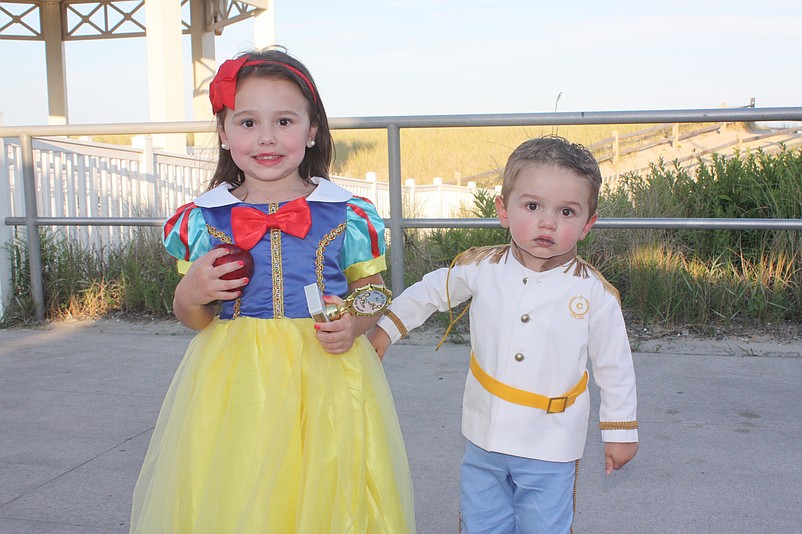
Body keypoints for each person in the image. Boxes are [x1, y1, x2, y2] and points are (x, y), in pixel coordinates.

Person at [130, 47, 415, 533]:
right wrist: (194, 290)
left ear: (312, 130)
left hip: (326, 374)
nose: (266, 137)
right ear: (223, 133)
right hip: (236, 380)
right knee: (239, 484)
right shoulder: (204, 219)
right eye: (247, 123)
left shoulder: (345, 213)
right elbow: (193, 317)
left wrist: (355, 319)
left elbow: (374, 291)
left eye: (284, 121)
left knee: (328, 485)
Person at [369, 136, 638, 533]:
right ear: (503, 210)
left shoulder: (594, 294)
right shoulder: (482, 268)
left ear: (588, 224)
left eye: (567, 211)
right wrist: (385, 329)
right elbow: (430, 291)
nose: (548, 222)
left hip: (552, 445)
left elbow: (614, 368)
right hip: (484, 437)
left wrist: (621, 431)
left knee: (544, 527)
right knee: (481, 523)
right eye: (532, 206)